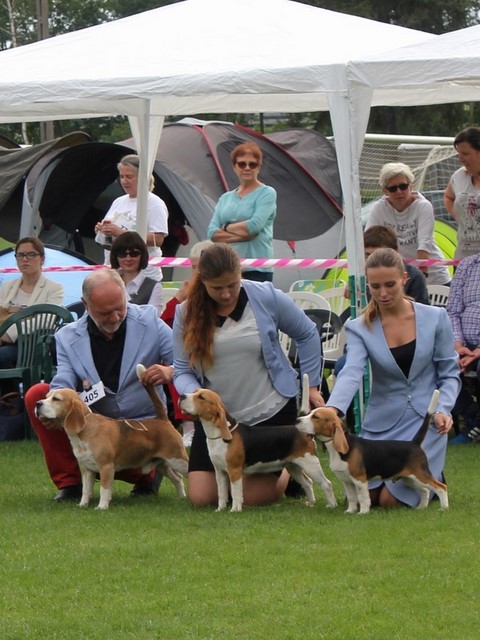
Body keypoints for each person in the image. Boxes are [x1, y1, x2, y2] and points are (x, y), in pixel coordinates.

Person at [172, 242, 324, 507]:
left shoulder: (266, 296)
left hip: (270, 411)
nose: (226, 294)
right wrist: (197, 397)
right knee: (202, 498)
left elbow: (307, 333)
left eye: (232, 285)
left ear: (240, 272)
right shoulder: (185, 313)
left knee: (251, 497)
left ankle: (287, 463)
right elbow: (182, 370)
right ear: (202, 280)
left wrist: (312, 385)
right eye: (217, 288)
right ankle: (279, 464)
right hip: (218, 418)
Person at [24, 269, 174, 502]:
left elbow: (186, 363)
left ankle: (148, 473)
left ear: (125, 296)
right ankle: (70, 484)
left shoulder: (151, 321)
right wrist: (54, 404)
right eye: (105, 313)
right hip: (96, 425)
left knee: (134, 463)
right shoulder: (66, 337)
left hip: (141, 428)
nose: (114, 317)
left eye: (120, 308)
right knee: (38, 394)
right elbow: (64, 378)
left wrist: (169, 371)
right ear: (86, 304)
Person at [326, 248, 460, 509]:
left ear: (404, 279)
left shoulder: (435, 317)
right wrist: (333, 409)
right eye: (375, 287)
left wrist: (443, 410)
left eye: (390, 285)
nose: (383, 293)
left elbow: (449, 373)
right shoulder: (358, 326)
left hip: (426, 421)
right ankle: (428, 473)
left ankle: (431, 474)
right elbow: (352, 371)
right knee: (371, 498)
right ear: (367, 285)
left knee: (390, 501)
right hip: (382, 423)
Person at [161, 239, 213, 446]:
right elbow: (164, 325)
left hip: (211, 349)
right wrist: (177, 299)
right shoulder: (186, 292)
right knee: (174, 366)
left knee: (180, 366)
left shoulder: (221, 290)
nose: (196, 272)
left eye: (201, 267)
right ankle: (188, 426)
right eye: (193, 267)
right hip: (190, 350)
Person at [366, 162, 451, 285]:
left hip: (433, 277)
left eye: (403, 186)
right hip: (401, 278)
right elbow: (368, 244)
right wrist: (359, 277)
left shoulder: (423, 206)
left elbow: (424, 244)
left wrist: (421, 275)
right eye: (393, 188)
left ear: (411, 186)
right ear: (385, 191)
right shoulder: (379, 208)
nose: (399, 192)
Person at [207, 143, 276, 282]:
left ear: (259, 167)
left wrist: (226, 227)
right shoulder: (225, 198)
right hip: (229, 269)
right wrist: (245, 235)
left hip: (258, 268)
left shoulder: (267, 193)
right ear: (234, 167)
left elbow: (254, 226)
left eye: (252, 164)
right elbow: (212, 233)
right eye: (242, 164)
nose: (247, 168)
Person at [94, 154, 169, 281]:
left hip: (144, 275)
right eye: (121, 176)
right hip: (115, 272)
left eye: (129, 177)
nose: (124, 181)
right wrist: (102, 229)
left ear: (142, 178)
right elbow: (111, 231)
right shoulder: (118, 201)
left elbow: (158, 239)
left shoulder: (154, 203)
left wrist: (121, 233)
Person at [0, 237, 63, 372]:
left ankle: (13, 387)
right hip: (3, 341)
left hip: (32, 345)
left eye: (31, 254)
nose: (24, 259)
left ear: (42, 259)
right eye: (20, 255)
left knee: (2, 356)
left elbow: (47, 321)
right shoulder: (6, 286)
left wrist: (10, 333)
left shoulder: (54, 288)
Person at [446, 253, 480, 443]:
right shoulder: (468, 264)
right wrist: (457, 345)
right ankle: (474, 417)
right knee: (437, 363)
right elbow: (452, 311)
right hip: (464, 344)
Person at [444, 127, 480, 259]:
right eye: (459, 154)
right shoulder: (459, 176)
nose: (460, 159)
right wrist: (458, 216)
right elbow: (448, 197)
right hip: (463, 259)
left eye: (465, 153)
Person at [110, 231, 164, 316]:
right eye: (122, 254)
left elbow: (152, 319)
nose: (128, 259)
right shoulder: (108, 282)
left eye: (134, 254)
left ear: (142, 255)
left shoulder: (154, 287)